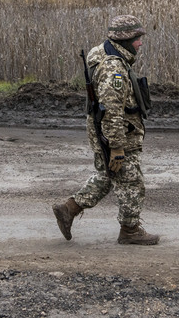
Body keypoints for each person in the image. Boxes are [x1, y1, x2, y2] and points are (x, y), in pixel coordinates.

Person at [52, 14, 159, 245]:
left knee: (108, 175)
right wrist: (117, 147)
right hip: (117, 134)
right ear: (126, 40)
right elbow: (112, 110)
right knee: (131, 181)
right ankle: (130, 231)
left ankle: (68, 209)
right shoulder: (114, 69)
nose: (141, 43)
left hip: (108, 132)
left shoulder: (105, 54)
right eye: (138, 38)